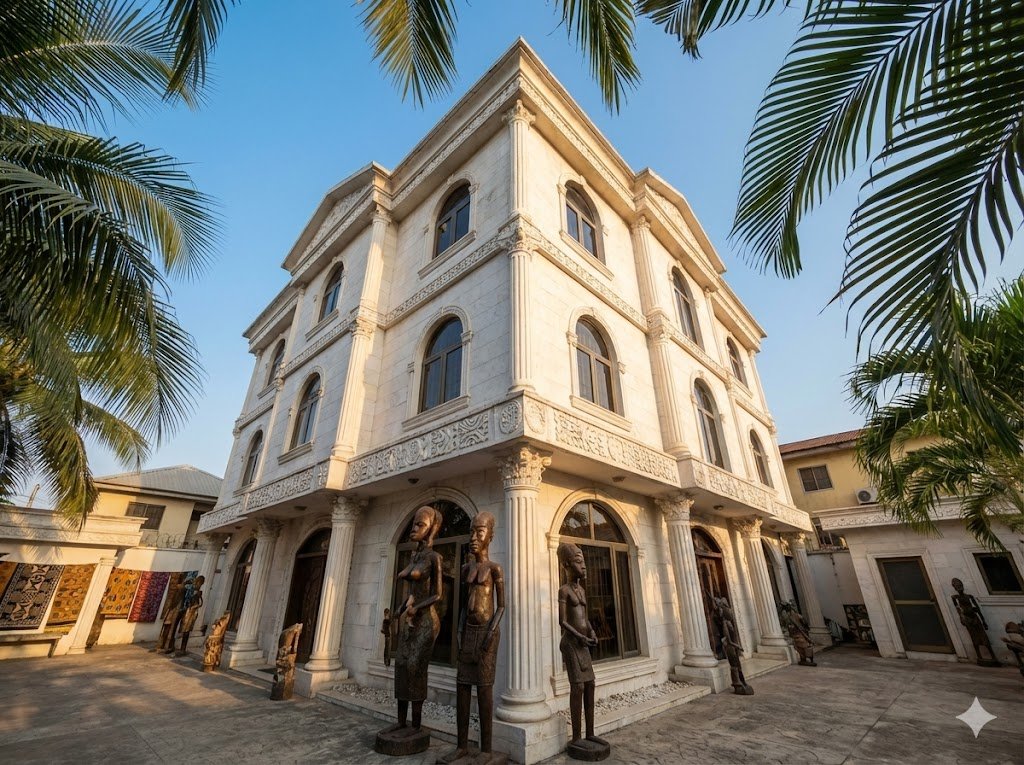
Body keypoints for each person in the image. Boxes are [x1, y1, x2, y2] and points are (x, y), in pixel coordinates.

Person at [440, 511, 505, 764]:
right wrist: (458, 631)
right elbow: (464, 605)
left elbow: (502, 606)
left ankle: (486, 749)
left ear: (490, 535)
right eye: (472, 531)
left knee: (484, 691)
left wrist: (490, 634)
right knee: (462, 688)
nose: (474, 537)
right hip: (467, 632)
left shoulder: (495, 569)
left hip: (487, 633)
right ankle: (461, 746)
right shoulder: (467, 567)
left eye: (480, 531)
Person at [381, 506, 444, 739]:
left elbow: (438, 595)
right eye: (414, 524)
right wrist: (398, 611)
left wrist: (415, 609)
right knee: (400, 667)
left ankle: (416, 725)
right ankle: (400, 721)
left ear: (431, 530)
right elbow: (411, 592)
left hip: (426, 620)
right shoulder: (413, 556)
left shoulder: (435, 558)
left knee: (415, 668)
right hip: (409, 618)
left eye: (420, 525)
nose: (413, 529)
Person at [558, 542, 608, 758]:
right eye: (579, 562)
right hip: (571, 644)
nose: (584, 566)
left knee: (590, 685)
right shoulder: (564, 590)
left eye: (584, 562)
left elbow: (584, 619)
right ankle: (577, 737)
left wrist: (592, 632)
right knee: (577, 687)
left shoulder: (582, 590)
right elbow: (562, 621)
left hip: (583, 643)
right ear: (567, 565)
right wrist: (578, 636)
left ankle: (590, 733)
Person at [951, 578, 999, 666]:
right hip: (967, 618)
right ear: (955, 588)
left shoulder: (969, 596)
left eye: (961, 586)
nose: (960, 588)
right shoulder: (955, 597)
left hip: (975, 617)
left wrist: (983, 621)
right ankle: (979, 656)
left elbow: (977, 608)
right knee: (974, 637)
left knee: (984, 636)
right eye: (958, 586)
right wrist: (962, 618)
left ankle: (993, 657)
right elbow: (958, 609)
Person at [175, 574, 205, 656]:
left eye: (200, 583)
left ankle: (183, 649)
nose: (199, 585)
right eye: (199, 582)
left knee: (187, 629)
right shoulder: (191, 589)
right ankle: (180, 648)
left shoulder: (197, 591)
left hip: (192, 611)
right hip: (187, 609)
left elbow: (200, 603)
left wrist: (196, 604)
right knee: (184, 628)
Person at [781, 601, 816, 666]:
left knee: (805, 646)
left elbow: (803, 620)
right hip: (796, 633)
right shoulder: (788, 615)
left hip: (799, 632)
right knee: (800, 647)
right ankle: (804, 659)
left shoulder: (794, 615)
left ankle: (809, 659)